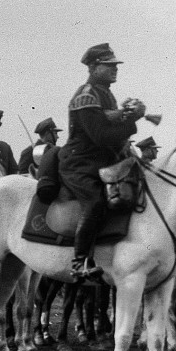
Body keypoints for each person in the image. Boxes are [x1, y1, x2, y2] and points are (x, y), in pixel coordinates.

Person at [60, 42, 145, 280]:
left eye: (115, 65)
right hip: (80, 163)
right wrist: (131, 121)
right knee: (95, 201)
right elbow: (101, 137)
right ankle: (80, 261)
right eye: (109, 65)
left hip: (102, 162)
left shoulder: (105, 93)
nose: (115, 69)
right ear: (94, 67)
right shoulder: (86, 96)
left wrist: (126, 115)